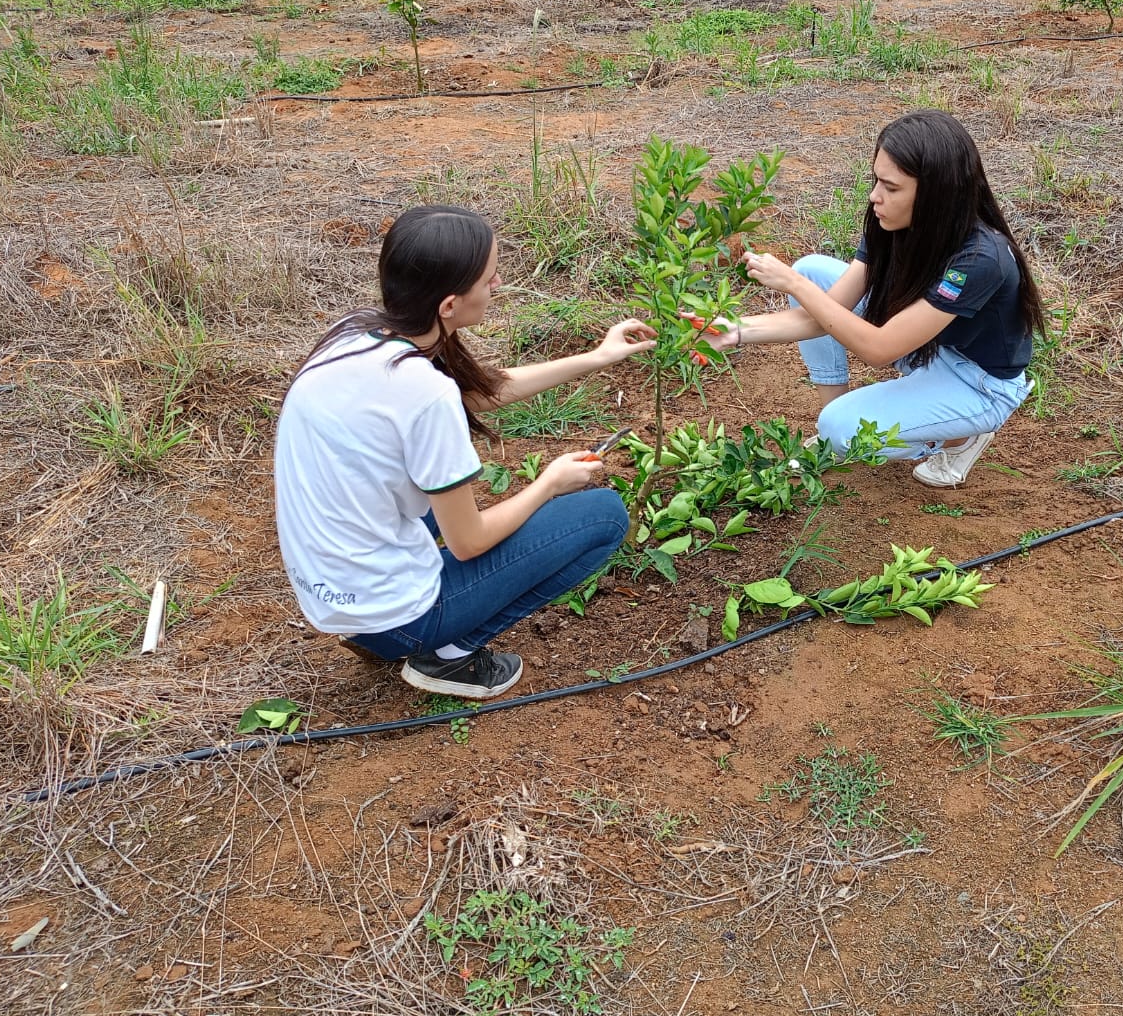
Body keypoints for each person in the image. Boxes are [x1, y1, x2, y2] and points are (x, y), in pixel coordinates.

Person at [274, 206, 655, 699]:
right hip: (392, 617)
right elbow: (468, 543)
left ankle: (391, 632)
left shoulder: (360, 334)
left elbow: (476, 392)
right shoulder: (424, 394)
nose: (498, 282)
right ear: (450, 305)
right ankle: (448, 655)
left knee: (456, 499)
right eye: (489, 276)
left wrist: (597, 357)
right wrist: (548, 485)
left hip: (327, 590)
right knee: (601, 516)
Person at [701, 110, 1046, 489]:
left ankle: (959, 436)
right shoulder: (893, 223)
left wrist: (793, 285)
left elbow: (880, 348)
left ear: (936, 194)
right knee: (813, 270)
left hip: (979, 383)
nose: (875, 196)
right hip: (930, 343)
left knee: (840, 427)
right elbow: (820, 317)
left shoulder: (980, 258)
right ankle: (835, 423)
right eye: (877, 180)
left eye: (891, 187)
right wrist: (731, 330)